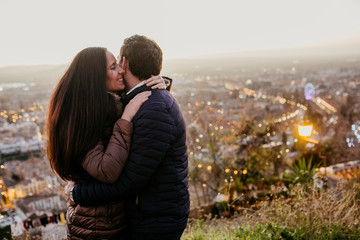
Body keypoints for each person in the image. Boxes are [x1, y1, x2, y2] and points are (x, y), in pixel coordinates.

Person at [70, 35, 190, 240]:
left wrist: (79, 194)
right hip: (148, 212)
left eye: (118, 62)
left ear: (125, 63)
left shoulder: (155, 108)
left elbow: (130, 181)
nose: (117, 69)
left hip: (156, 220)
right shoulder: (141, 100)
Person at [46, 47, 168, 239]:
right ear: (95, 77)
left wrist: (158, 86)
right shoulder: (82, 118)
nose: (121, 70)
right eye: (113, 67)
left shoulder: (105, 105)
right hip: (96, 226)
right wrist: (126, 118)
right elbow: (107, 170)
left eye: (119, 64)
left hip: (107, 218)